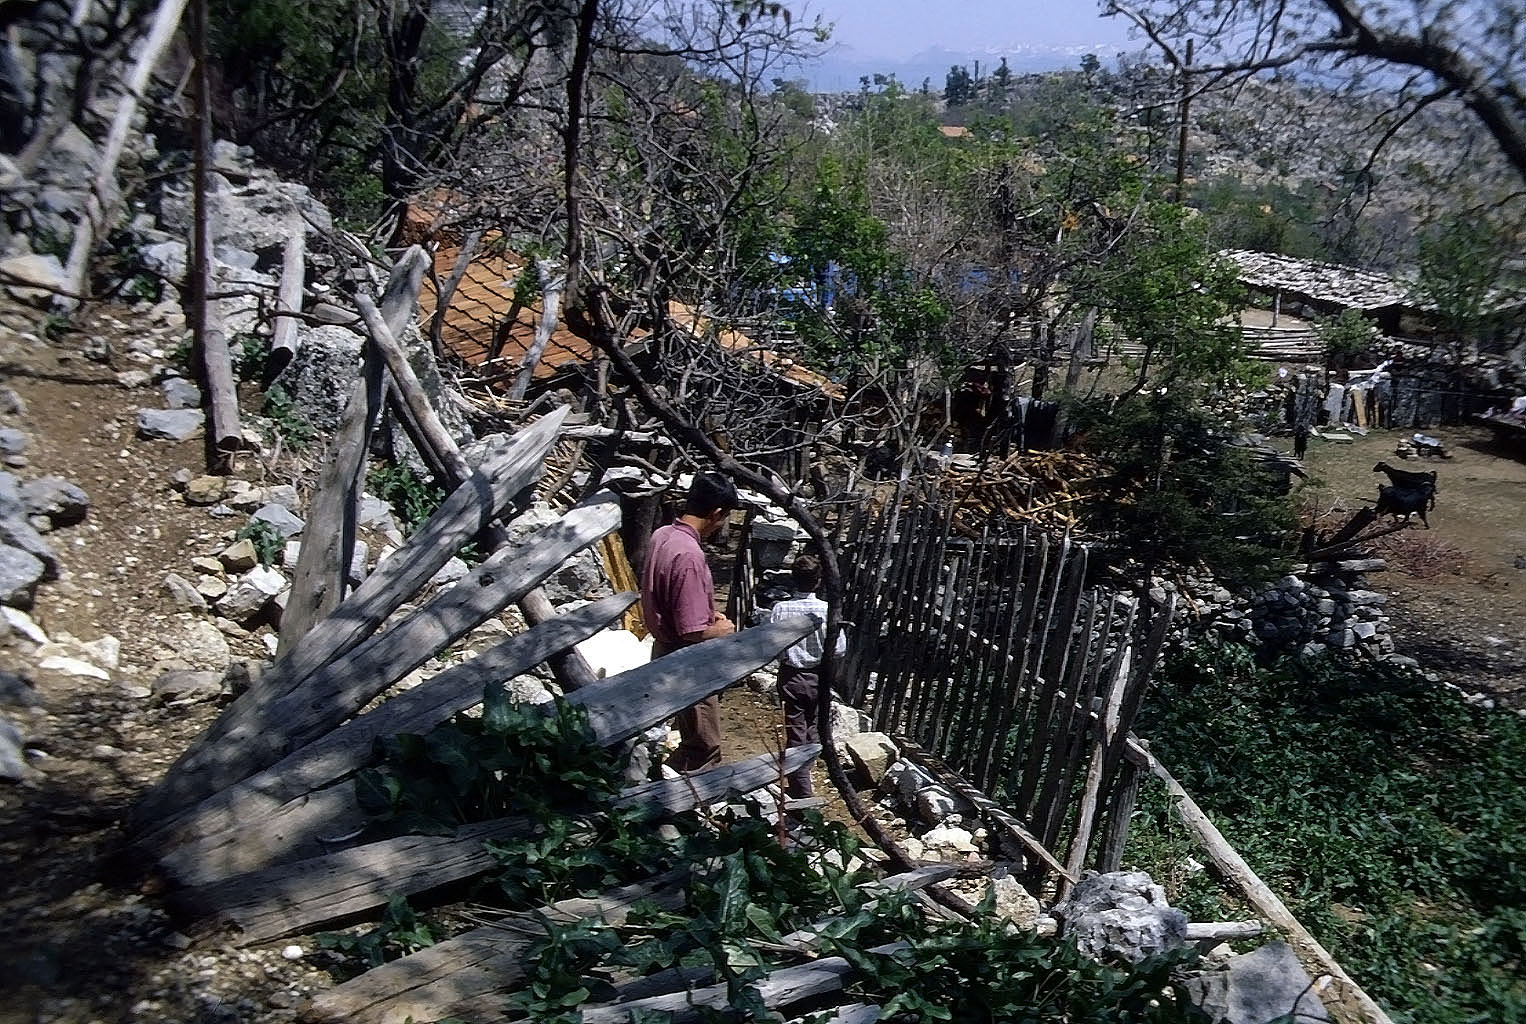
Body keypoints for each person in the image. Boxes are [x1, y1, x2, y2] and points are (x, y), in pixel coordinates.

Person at [640, 471, 739, 773]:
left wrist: (707, 612)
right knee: (703, 745)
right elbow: (692, 631)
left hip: (663, 650)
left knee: (687, 737)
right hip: (688, 663)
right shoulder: (689, 555)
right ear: (716, 513)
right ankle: (689, 810)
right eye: (723, 518)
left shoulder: (662, 536)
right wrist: (722, 628)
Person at [768, 553, 846, 799]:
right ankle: (804, 776)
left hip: (791, 675)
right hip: (818, 676)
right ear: (819, 581)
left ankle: (800, 786)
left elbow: (772, 644)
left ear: (793, 579)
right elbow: (840, 647)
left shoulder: (781, 610)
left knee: (795, 728)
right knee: (812, 728)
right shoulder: (826, 610)